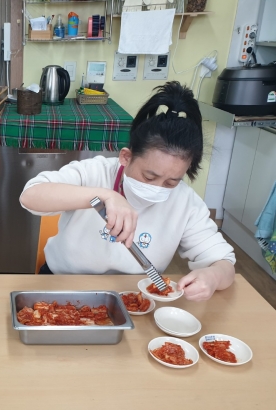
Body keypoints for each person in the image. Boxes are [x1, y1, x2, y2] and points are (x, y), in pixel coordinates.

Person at [20, 81, 235, 301]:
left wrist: (212, 277)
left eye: (171, 182)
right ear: (126, 157)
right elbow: (31, 196)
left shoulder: (185, 202)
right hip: (64, 284)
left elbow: (224, 263)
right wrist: (106, 196)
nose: (157, 188)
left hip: (135, 296)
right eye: (149, 177)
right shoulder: (95, 172)